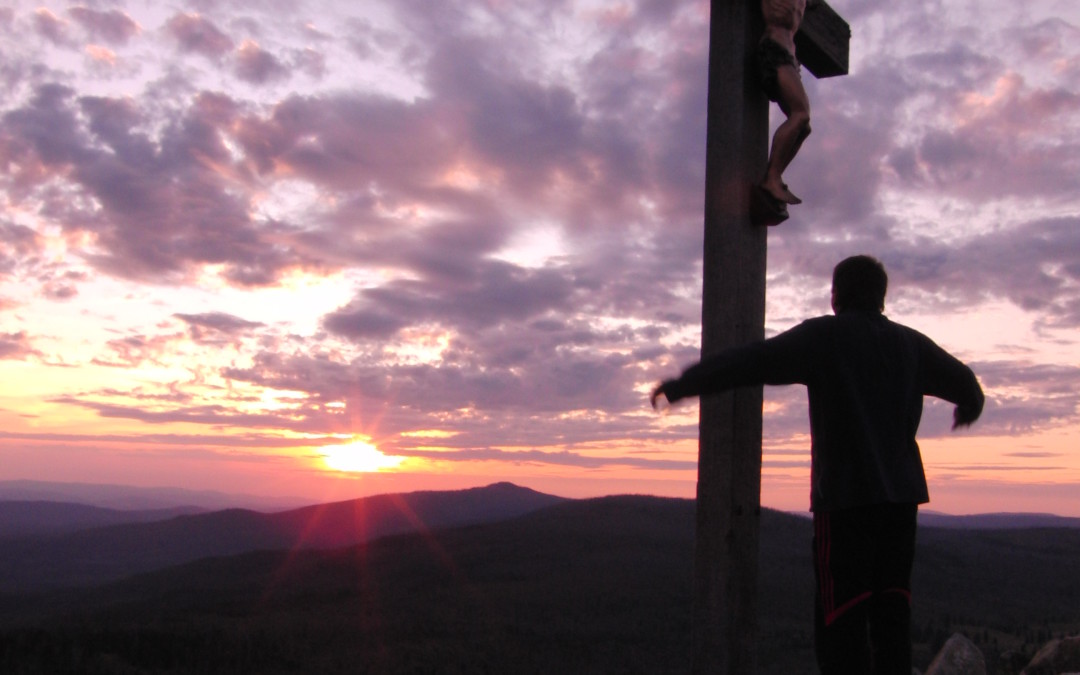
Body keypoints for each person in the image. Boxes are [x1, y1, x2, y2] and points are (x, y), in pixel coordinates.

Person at [650, 255, 985, 675]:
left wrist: (687, 384)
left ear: (836, 296)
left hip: (844, 505)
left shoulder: (827, 337)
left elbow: (754, 360)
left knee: (839, 621)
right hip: (901, 505)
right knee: (891, 615)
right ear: (881, 297)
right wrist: (968, 407)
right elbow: (966, 383)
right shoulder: (910, 345)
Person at [758, 0, 815, 206]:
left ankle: (775, 175)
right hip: (774, 47)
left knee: (804, 127)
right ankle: (771, 178)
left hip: (790, 56)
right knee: (801, 114)